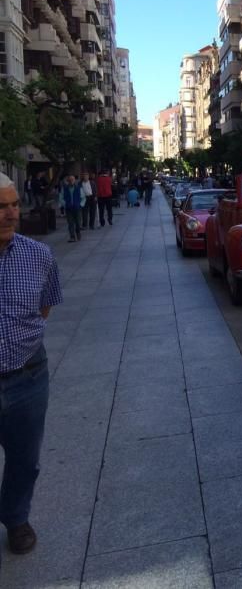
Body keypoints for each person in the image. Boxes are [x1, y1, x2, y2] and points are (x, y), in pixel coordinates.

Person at [0, 172, 62, 560]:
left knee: (25, 460)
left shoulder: (38, 255)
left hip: (28, 376)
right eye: (0, 208)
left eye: (14, 205)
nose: (10, 214)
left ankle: (16, 518)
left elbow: (45, 306)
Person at [58, 175, 85, 242]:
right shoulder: (64, 188)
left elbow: (83, 197)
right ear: (68, 181)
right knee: (70, 223)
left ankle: (78, 232)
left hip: (77, 208)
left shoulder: (79, 188)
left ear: (74, 180)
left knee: (78, 223)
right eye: (69, 180)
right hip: (69, 209)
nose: (71, 181)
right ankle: (72, 236)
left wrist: (81, 205)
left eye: (72, 180)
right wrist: (65, 204)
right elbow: (61, 198)